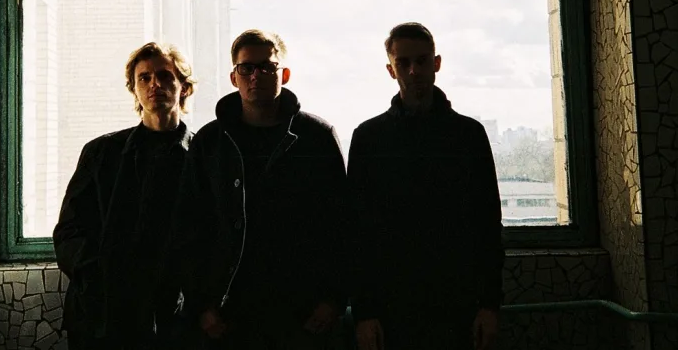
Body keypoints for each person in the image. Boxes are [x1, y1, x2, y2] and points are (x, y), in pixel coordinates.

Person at [173, 29, 347, 350]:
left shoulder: (317, 137)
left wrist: (333, 299)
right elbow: (190, 226)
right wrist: (201, 305)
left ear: (285, 74)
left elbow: (341, 223)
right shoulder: (210, 142)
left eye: (267, 67)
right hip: (228, 312)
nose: (256, 75)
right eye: (247, 68)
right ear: (234, 77)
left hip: (302, 310)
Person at [348, 22, 504, 350]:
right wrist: (365, 311)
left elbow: (488, 223)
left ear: (436, 63)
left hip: (457, 303)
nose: (413, 70)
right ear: (391, 70)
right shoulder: (369, 139)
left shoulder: (468, 136)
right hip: (393, 307)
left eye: (421, 61)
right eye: (403, 62)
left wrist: (490, 305)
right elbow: (358, 230)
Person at [54, 42, 197, 350]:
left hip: (175, 317)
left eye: (165, 75)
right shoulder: (101, 153)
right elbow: (68, 232)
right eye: (144, 78)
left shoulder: (202, 157)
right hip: (102, 316)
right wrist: (99, 278)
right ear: (134, 88)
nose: (154, 84)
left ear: (184, 87)